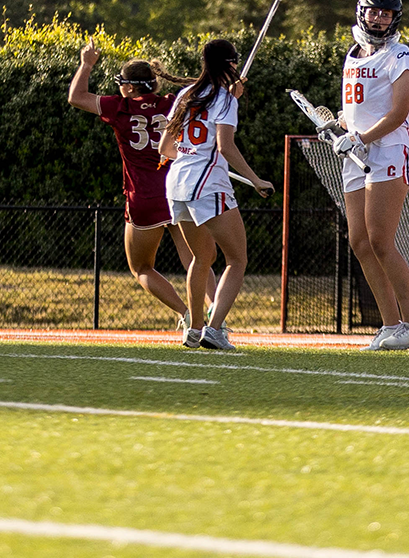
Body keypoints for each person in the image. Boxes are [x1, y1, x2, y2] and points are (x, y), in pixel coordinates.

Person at [67, 37, 201, 339]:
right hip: (179, 189)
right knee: (197, 259)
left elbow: (76, 97)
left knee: (141, 267)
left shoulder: (122, 106)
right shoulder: (171, 102)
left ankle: (185, 312)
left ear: (127, 86)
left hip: (144, 197)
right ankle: (216, 314)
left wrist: (86, 64)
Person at [158, 39, 273, 351]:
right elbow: (225, 146)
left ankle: (194, 329)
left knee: (201, 257)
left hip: (177, 183)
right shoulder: (225, 99)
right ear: (231, 64)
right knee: (237, 259)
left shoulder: (185, 94)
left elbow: (165, 149)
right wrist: (255, 179)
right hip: (208, 184)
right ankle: (215, 329)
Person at [330, 0, 409, 351]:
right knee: (359, 241)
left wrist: (361, 137)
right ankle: (390, 325)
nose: (379, 19)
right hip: (359, 152)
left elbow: (399, 111)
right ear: (361, 13)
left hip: (389, 148)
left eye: (386, 14)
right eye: (374, 12)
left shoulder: (399, 54)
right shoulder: (353, 56)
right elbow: (356, 111)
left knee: (381, 240)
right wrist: (342, 126)